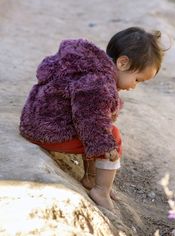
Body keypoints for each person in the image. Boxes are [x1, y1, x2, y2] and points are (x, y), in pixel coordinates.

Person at [19, 27, 165, 212]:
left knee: (99, 129)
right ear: (123, 63)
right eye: (137, 80)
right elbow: (90, 120)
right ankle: (101, 190)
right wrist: (106, 144)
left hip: (35, 120)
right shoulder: (99, 84)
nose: (135, 86)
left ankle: (90, 177)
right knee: (110, 136)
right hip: (47, 131)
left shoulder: (87, 66)